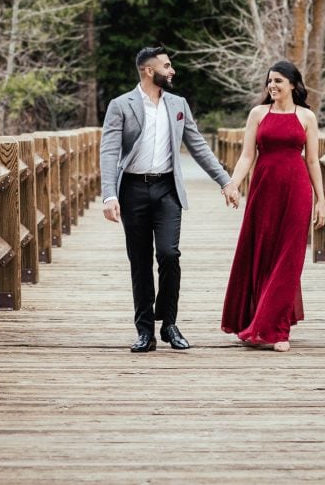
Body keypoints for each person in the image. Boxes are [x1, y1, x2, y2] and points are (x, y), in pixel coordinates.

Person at [101, 46, 240, 352]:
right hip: (133, 190)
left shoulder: (177, 104)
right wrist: (109, 194)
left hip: (167, 190)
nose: (172, 70)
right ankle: (145, 331)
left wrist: (225, 181)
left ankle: (170, 324)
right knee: (139, 262)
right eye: (167, 65)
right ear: (150, 71)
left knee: (168, 254)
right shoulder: (120, 105)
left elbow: (198, 145)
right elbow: (109, 151)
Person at [220, 61, 325, 352]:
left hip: (297, 192)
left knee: (288, 260)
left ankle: (277, 330)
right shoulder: (258, 114)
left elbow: (313, 161)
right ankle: (258, 318)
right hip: (263, 191)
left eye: (278, 81)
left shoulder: (306, 117)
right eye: (269, 81)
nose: (272, 86)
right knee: (262, 254)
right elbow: (246, 156)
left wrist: (321, 200)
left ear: (293, 84)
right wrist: (232, 184)